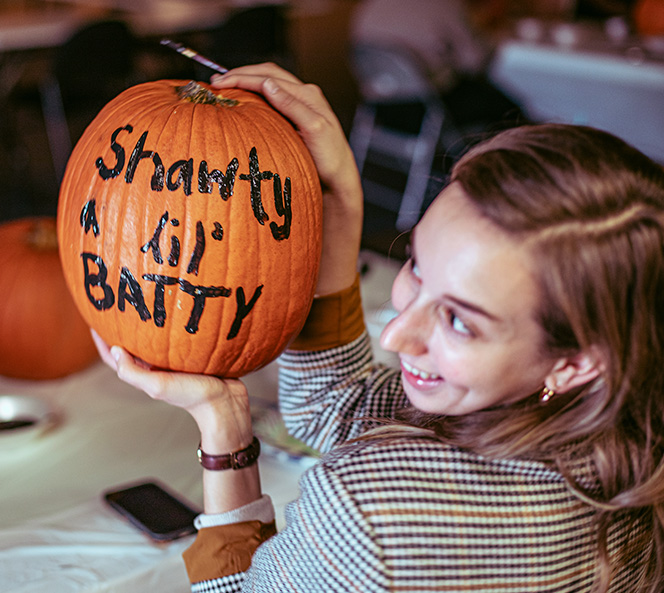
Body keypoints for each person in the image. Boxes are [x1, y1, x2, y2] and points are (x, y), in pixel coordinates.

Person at [93, 62, 664, 592]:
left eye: (460, 320)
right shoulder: (622, 423)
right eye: (416, 265)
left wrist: (222, 440)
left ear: (576, 361)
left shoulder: (370, 513)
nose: (394, 336)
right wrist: (340, 196)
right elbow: (337, 406)